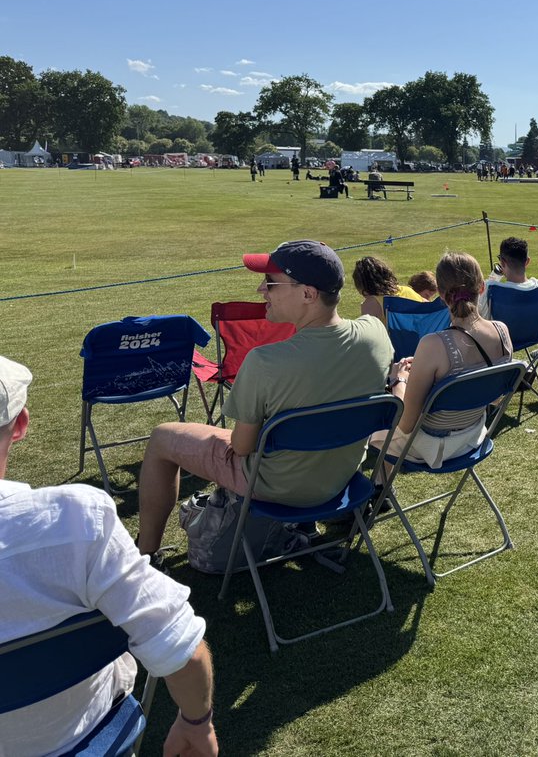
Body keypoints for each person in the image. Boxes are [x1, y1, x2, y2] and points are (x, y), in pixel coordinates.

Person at [0, 357, 219, 756]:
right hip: (92, 734)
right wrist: (196, 723)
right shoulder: (76, 523)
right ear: (20, 425)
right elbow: (180, 646)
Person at [136, 240, 393, 560]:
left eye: (271, 283)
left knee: (163, 437)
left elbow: (242, 447)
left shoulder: (266, 361)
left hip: (277, 487)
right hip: (341, 481)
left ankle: (144, 557)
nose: (261, 289)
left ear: (308, 294)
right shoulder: (376, 333)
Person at [377, 253, 513, 468]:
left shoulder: (433, 345)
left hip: (432, 448)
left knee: (376, 422)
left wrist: (399, 380)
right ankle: (379, 487)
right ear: (482, 288)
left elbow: (405, 425)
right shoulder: (502, 332)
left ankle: (378, 491)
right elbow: (496, 399)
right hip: (473, 438)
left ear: (441, 295)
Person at [480, 237, 538, 319]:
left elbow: (479, 316)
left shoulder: (490, 289)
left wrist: (493, 279)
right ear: (527, 261)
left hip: (501, 331)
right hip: (533, 331)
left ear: (502, 262)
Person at [353, 255, 424, 320]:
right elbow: (429, 308)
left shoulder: (370, 304)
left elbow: (368, 332)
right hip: (420, 333)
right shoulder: (408, 290)